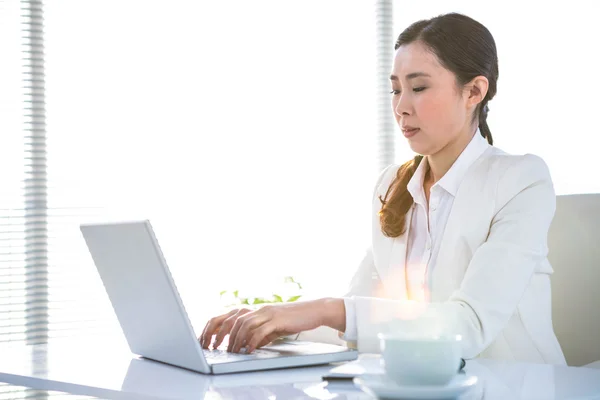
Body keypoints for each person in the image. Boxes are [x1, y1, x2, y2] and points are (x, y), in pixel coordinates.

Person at [199, 12, 566, 364]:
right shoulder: (393, 184)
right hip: (426, 387)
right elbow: (359, 321)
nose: (401, 107)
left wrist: (321, 311)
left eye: (419, 87)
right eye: (395, 90)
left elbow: (468, 327)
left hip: (519, 384)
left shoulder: (522, 180)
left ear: (474, 92)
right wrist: (277, 325)